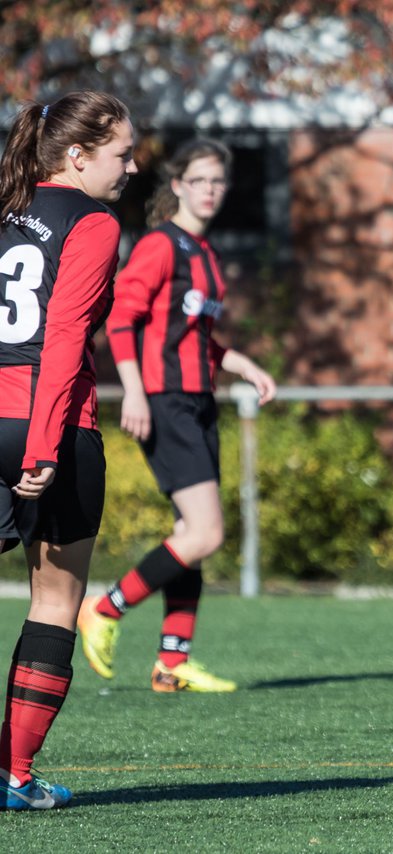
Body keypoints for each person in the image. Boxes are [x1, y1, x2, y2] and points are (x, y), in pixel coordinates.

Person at [77, 138, 275, 694]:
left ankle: (172, 661)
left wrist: (245, 365)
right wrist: (134, 394)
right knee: (206, 532)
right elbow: (121, 320)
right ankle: (105, 608)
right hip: (164, 401)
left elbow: (197, 339)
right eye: (201, 180)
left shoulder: (204, 255)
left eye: (219, 181)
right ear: (179, 185)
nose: (211, 190)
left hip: (198, 401)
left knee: (191, 532)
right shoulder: (161, 246)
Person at [0, 91, 137, 810]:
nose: (133, 166)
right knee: (56, 600)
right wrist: (45, 445)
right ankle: (14, 777)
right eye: (121, 154)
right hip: (48, 423)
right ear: (78, 157)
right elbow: (61, 339)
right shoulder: (93, 221)